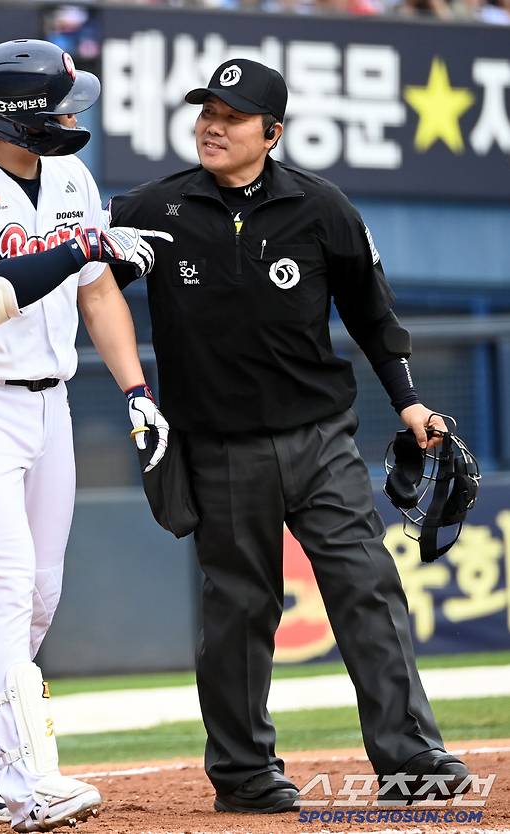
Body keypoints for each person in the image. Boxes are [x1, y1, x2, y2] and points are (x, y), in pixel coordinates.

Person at [106, 59, 470, 813]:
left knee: (366, 585)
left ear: (271, 133)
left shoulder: (322, 207)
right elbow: (91, 283)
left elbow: (372, 314)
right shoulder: (152, 209)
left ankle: (410, 758)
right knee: (240, 608)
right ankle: (244, 775)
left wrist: (408, 403)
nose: (213, 126)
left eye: (232, 116)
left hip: (320, 439)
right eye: (206, 111)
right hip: (218, 446)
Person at [0, 39, 170, 833]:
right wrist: (77, 245)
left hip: (48, 405)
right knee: (6, 587)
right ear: (14, 116)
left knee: (38, 597)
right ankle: (29, 779)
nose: (69, 115)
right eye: (56, 104)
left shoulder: (72, 179)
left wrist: (137, 391)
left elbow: (99, 294)